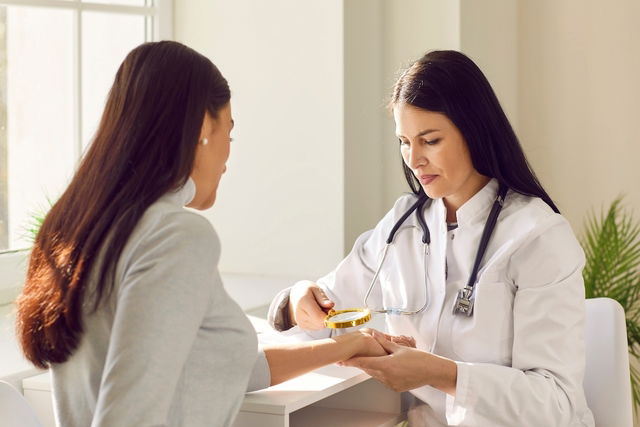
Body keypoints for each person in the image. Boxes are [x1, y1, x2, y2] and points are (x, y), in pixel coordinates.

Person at [14, 41, 412, 427]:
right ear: (205, 126)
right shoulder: (175, 236)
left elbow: (224, 369)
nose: (227, 158)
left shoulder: (81, 227)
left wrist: (346, 345)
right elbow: (129, 416)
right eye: (230, 134)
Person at [268, 50, 595, 426]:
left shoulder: (537, 238)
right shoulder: (402, 227)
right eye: (405, 142)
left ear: (474, 131)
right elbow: (331, 311)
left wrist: (442, 374)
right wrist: (297, 301)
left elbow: (556, 404)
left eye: (430, 140)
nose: (414, 159)